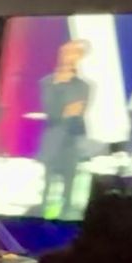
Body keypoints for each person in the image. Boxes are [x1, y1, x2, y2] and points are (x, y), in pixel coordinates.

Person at [38, 38, 93, 220]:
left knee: (67, 197)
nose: (70, 56)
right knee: (45, 193)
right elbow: (50, 110)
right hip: (52, 142)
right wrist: (65, 110)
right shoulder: (46, 82)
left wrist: (64, 111)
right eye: (68, 52)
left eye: (75, 53)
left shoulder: (83, 86)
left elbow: (78, 112)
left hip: (71, 144)